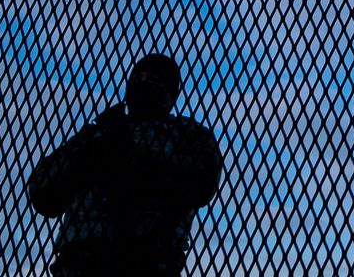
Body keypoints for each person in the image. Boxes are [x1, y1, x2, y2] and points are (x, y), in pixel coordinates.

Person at [28, 53, 224, 276]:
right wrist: (88, 155)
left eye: (156, 80)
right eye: (139, 76)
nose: (144, 81)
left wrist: (134, 156)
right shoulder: (98, 132)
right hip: (80, 259)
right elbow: (40, 191)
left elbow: (203, 181)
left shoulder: (188, 133)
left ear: (170, 95)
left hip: (149, 259)